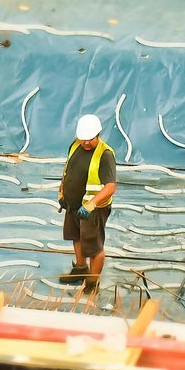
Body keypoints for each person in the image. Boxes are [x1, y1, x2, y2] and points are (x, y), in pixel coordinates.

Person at [59, 113, 117, 292]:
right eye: (82, 138)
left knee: (94, 246)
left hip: (92, 211)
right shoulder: (75, 145)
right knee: (75, 237)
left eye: (89, 139)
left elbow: (110, 187)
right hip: (72, 205)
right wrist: (61, 192)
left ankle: (92, 282)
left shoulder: (105, 154)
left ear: (98, 134)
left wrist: (91, 204)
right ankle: (80, 269)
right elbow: (68, 170)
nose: (85, 142)